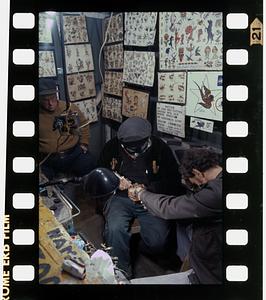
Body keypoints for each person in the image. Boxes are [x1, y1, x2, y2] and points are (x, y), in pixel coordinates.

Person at [98, 117, 185, 278]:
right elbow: (101, 173)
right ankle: (121, 273)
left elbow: (173, 181)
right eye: (129, 151)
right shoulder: (112, 146)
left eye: (138, 150)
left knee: (157, 242)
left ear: (148, 140)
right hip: (121, 198)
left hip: (150, 197)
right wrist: (115, 182)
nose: (134, 155)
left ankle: (133, 245)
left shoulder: (160, 148)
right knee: (115, 229)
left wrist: (147, 188)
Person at [129, 147, 222, 284]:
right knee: (182, 225)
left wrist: (141, 193)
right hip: (207, 259)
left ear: (197, 173)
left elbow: (167, 207)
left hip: (209, 273)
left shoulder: (215, 193)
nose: (196, 187)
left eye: (194, 183)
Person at [39, 78, 96, 180]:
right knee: (44, 184)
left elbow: (84, 124)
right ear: (39, 99)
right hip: (48, 158)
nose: (50, 103)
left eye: (52, 98)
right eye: (45, 100)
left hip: (73, 153)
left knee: (89, 166)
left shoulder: (69, 108)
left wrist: (84, 143)